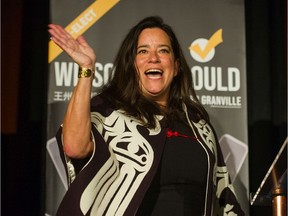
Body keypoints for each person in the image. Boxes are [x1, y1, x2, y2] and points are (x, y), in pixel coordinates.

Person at [48, 16, 244, 216]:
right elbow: (73, 147)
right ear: (132, 65)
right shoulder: (108, 110)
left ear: (176, 67)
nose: (154, 58)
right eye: (143, 51)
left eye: (163, 50)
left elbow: (224, 195)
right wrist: (86, 70)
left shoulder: (197, 123)